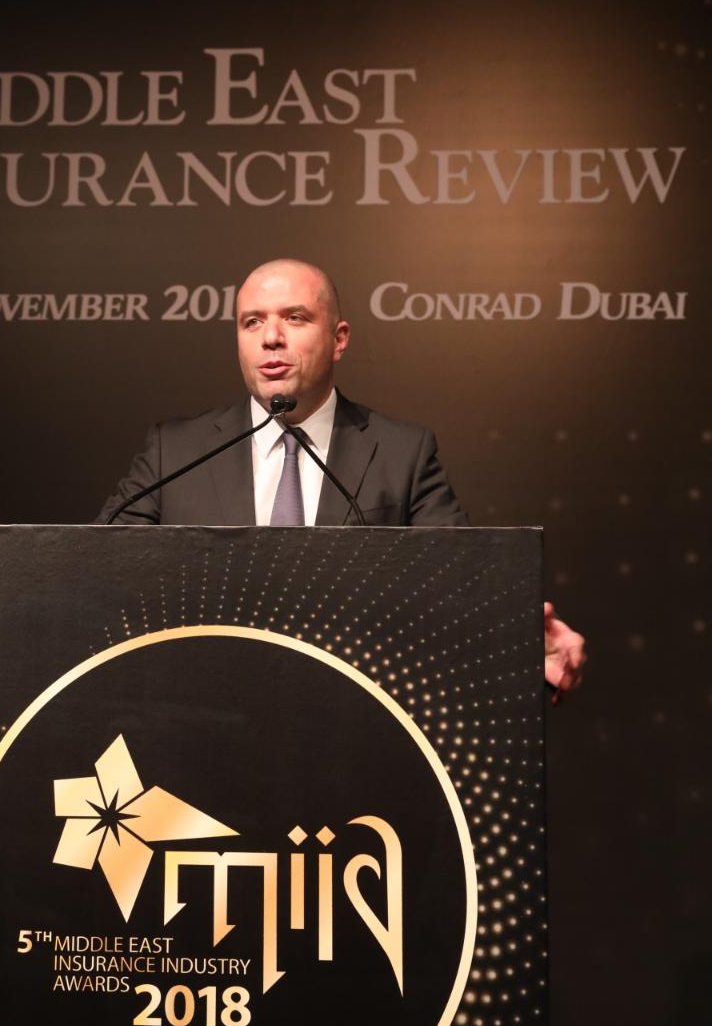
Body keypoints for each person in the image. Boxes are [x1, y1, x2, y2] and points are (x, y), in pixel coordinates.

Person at [97, 258, 586, 697]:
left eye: (295, 318)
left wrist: (523, 640)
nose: (271, 337)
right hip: (201, 705)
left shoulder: (402, 453)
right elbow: (100, 577)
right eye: (252, 322)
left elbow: (456, 585)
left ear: (340, 338)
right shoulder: (175, 452)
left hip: (352, 714)